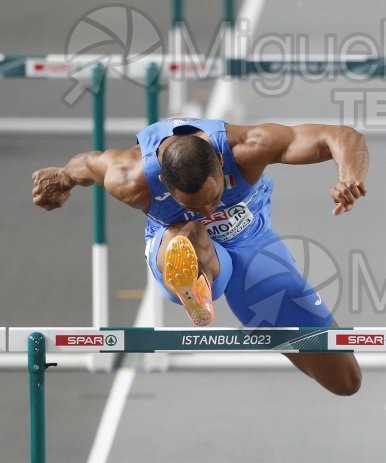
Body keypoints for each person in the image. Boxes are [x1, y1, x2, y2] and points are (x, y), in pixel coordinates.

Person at [32, 117, 367, 396]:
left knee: (345, 381)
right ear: (163, 180)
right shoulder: (129, 177)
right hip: (175, 248)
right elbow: (87, 165)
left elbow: (339, 136)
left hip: (253, 246)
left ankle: (217, 283)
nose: (208, 209)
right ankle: (195, 280)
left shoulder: (248, 147)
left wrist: (349, 177)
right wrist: (62, 177)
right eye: (195, 204)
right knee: (191, 232)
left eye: (215, 197)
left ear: (221, 162)